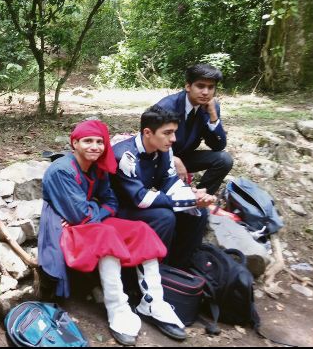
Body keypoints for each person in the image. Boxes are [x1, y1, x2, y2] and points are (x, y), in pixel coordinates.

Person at [38, 120, 186, 346]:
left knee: (141, 230)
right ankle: (117, 308)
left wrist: (94, 208)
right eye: (88, 141)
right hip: (65, 228)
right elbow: (80, 216)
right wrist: (95, 209)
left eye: (99, 142)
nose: (95, 147)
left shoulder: (97, 167)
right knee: (106, 235)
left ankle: (152, 302)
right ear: (74, 143)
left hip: (89, 222)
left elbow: (110, 201)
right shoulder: (62, 170)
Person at [112, 105, 216, 270]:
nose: (173, 138)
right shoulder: (125, 156)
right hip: (120, 208)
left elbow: (170, 182)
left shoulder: (164, 149)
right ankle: (154, 269)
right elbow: (140, 199)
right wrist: (189, 200)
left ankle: (180, 267)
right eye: (167, 133)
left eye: (174, 132)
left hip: (139, 203)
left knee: (199, 213)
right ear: (147, 132)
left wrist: (193, 196)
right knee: (164, 216)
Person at [156, 63, 232, 195]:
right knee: (180, 198)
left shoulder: (211, 107)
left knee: (224, 159)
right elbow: (150, 141)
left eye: (211, 87)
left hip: (185, 156)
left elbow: (218, 145)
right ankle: (185, 196)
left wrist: (213, 116)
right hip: (159, 158)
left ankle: (203, 197)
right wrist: (172, 158)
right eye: (200, 86)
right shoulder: (166, 106)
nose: (205, 92)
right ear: (188, 86)